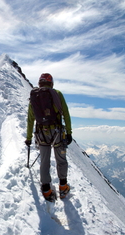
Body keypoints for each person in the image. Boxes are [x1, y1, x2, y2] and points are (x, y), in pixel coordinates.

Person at [25, 73, 72, 201]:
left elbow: (30, 119)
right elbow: (66, 114)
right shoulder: (57, 94)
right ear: (51, 83)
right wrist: (69, 132)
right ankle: (63, 187)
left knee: (44, 161)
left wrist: (28, 137)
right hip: (57, 133)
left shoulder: (34, 96)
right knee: (61, 159)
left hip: (41, 133)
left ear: (40, 83)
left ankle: (46, 190)